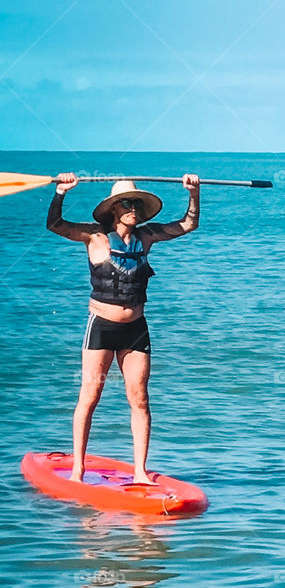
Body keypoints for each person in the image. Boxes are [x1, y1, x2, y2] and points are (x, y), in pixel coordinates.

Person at [47, 173, 200, 483]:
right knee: (90, 396)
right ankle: (77, 470)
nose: (134, 209)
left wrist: (193, 193)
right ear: (114, 208)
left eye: (136, 204)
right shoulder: (95, 237)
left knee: (140, 399)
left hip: (136, 330)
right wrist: (61, 192)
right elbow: (55, 225)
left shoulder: (146, 237)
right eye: (127, 204)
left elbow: (188, 224)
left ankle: (140, 472)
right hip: (102, 327)